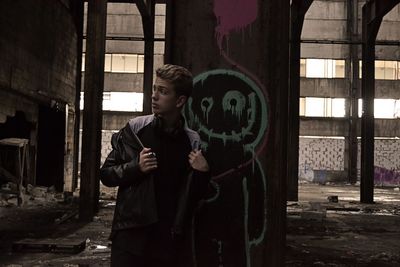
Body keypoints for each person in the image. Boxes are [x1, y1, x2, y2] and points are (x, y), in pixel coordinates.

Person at [100, 64, 211, 267]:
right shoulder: (136, 129)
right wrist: (136, 167)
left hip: (167, 241)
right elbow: (106, 175)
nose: (154, 96)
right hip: (130, 238)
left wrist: (203, 172)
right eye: (154, 89)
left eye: (163, 91)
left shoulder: (192, 141)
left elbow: (195, 197)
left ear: (180, 100)